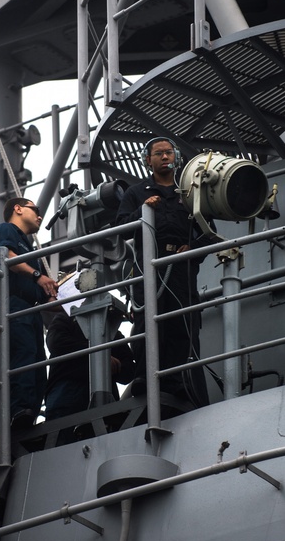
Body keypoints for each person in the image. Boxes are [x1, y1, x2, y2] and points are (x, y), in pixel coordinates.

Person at [114, 136, 211, 407]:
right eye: (158, 154)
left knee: (182, 321)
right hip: (149, 266)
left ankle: (178, 380)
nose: (165, 157)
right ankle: (146, 377)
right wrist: (143, 210)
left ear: (176, 157)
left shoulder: (189, 192)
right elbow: (121, 226)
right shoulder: (137, 193)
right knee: (149, 321)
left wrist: (191, 249)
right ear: (148, 160)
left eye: (168, 152)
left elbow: (207, 231)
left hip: (181, 267)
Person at [0, 198, 58, 429]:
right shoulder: (6, 230)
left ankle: (30, 414)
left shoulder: (29, 247)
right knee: (24, 355)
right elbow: (5, 256)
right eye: (35, 210)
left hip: (31, 308)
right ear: (18, 209)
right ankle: (20, 412)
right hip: (15, 304)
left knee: (38, 364)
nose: (39, 215)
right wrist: (39, 276)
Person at [44, 306, 135, 443]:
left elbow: (129, 371)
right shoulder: (65, 319)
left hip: (93, 394)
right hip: (68, 389)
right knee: (62, 440)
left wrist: (114, 364)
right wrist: (100, 356)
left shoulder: (111, 331)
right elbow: (56, 343)